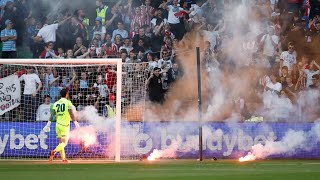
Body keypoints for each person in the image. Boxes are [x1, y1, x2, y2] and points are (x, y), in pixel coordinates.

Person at [42, 88, 80, 163]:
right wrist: (76, 123)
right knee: (65, 143)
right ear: (66, 94)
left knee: (61, 143)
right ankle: (54, 151)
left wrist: (48, 125)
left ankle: (63, 159)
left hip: (57, 125)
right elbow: (71, 114)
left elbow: (52, 116)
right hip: (65, 125)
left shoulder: (55, 103)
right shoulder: (68, 102)